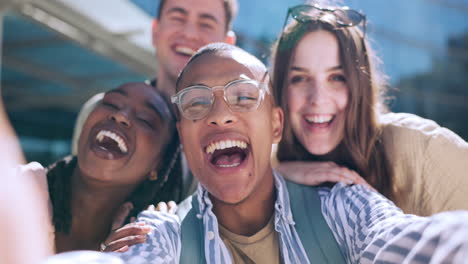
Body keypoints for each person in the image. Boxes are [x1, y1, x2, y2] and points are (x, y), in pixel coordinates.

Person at [118, 43, 468, 264]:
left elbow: (407, 239)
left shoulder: (344, 205)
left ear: (275, 124)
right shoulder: (163, 231)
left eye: (243, 96)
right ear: (182, 136)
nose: (220, 113)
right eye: (196, 102)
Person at [271, 3, 468, 216]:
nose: (317, 99)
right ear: (281, 88)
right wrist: (277, 176)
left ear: (359, 86)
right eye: (299, 79)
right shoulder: (267, 166)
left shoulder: (420, 147)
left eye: (337, 78)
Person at [18, 82, 182, 254]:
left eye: (145, 119)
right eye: (111, 104)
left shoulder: (148, 249)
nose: (120, 116)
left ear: (159, 165)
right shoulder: (18, 190)